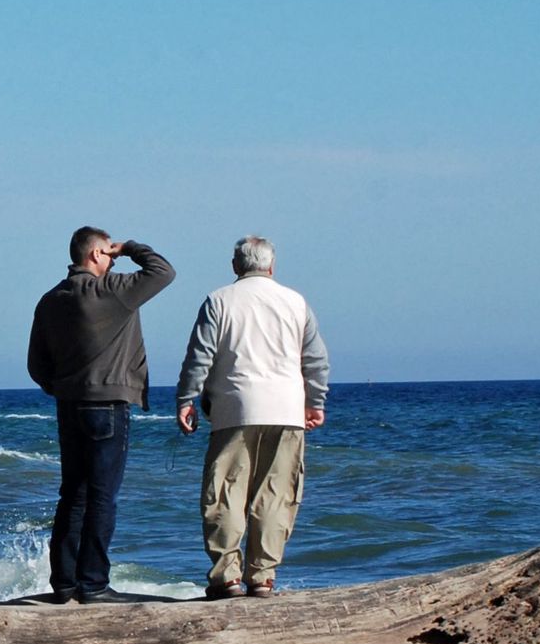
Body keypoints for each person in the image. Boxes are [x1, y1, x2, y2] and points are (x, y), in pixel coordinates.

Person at [25, 226, 176, 604]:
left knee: (72, 495)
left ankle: (63, 583)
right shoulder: (114, 291)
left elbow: (36, 363)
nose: (112, 260)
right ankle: (93, 583)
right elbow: (163, 271)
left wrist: (61, 388)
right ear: (95, 254)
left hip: (69, 404)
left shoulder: (50, 299)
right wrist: (130, 248)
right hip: (108, 403)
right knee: (102, 496)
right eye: (107, 254)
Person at [175, 235, 330, 599]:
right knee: (276, 495)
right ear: (271, 266)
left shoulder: (219, 300)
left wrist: (187, 399)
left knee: (225, 493)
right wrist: (316, 402)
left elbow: (200, 356)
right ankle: (262, 576)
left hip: (234, 407)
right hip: (287, 409)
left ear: (236, 266)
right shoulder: (296, 302)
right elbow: (316, 361)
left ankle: (226, 576)